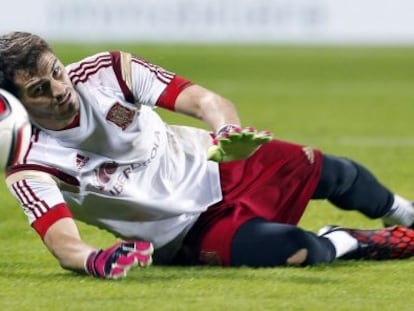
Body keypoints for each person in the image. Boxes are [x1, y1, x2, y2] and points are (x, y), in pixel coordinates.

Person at [1, 31, 414, 279]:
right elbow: (64, 245)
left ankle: (404, 212)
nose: (59, 89)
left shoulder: (107, 71)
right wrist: (96, 260)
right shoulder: (27, 163)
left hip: (214, 164)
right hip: (183, 232)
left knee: (338, 174)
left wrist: (227, 132)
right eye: (39, 89)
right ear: (17, 102)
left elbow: (203, 100)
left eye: (56, 71)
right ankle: (346, 241)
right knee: (298, 250)